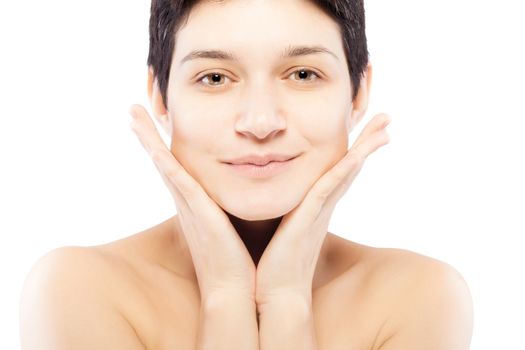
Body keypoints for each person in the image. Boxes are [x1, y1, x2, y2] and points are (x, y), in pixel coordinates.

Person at [19, 0, 474, 349]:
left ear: (358, 93)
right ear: (160, 97)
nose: (260, 122)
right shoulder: (77, 289)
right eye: (215, 78)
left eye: (302, 73)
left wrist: (287, 301)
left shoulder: (419, 297)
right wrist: (225, 296)